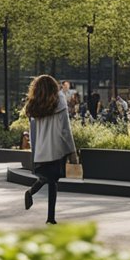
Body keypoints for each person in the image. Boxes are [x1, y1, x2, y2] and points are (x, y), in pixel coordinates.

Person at [22, 75, 76, 225]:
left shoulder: (35, 104)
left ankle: (33, 195)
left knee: (48, 178)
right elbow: (66, 129)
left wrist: (34, 150)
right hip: (56, 148)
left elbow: (32, 130)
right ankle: (49, 216)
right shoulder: (59, 101)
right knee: (52, 180)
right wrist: (72, 151)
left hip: (41, 150)